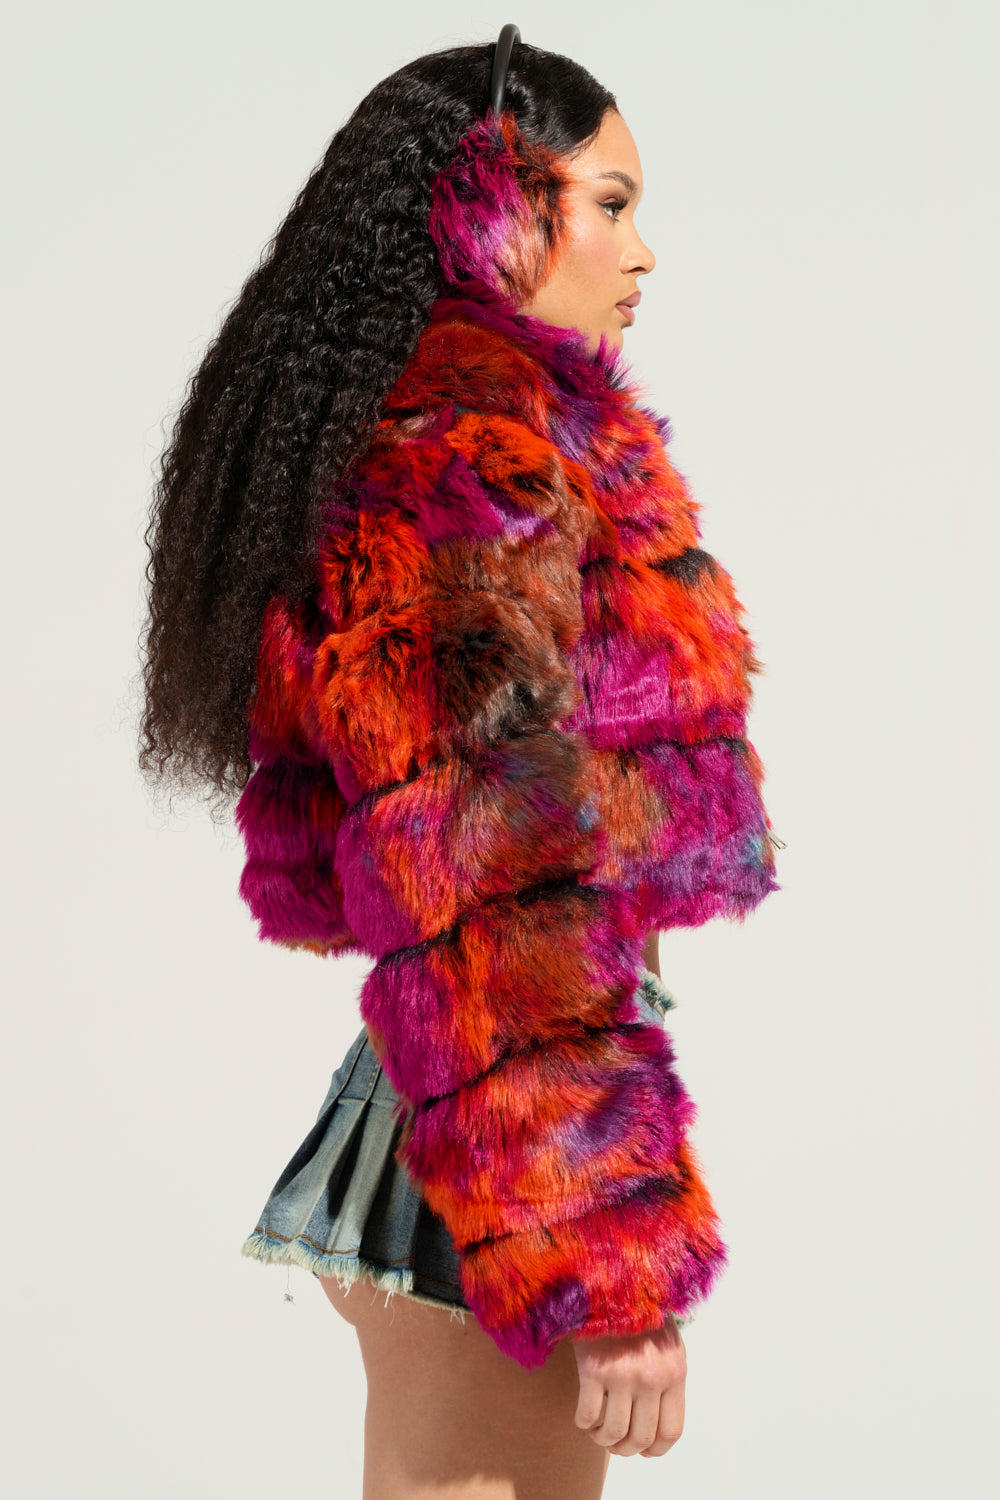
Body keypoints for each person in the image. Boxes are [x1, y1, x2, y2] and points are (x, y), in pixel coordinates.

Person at [138, 28, 781, 1499]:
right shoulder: (460, 461)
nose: (644, 251)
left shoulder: (511, 436)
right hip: (500, 1116)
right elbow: (489, 870)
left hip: (484, 1090)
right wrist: (610, 1257)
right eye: (610, 202)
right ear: (495, 205)